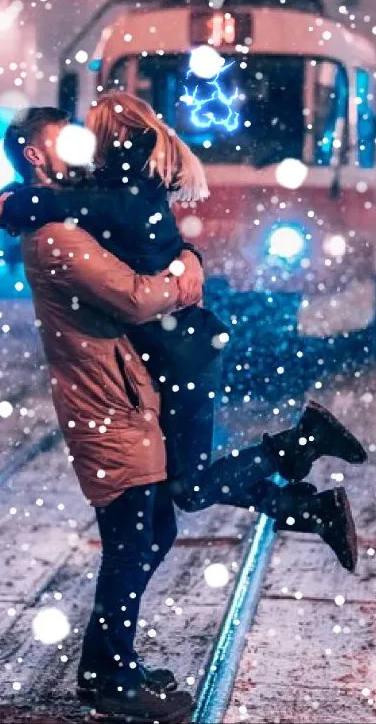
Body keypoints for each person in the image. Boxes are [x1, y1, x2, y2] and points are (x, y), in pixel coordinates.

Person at [2, 95, 366, 558]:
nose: (79, 143)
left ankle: (306, 449)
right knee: (183, 483)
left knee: (189, 490)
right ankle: (310, 504)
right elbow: (104, 212)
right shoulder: (116, 184)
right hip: (172, 354)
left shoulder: (124, 189)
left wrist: (23, 202)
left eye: (87, 133)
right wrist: (188, 257)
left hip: (183, 355)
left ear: (115, 139)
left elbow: (104, 221)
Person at [1, 106, 204, 723]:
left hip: (123, 399)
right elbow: (135, 298)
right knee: (131, 542)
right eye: (66, 139)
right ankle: (108, 677)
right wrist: (186, 273)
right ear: (36, 156)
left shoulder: (69, 211)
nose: (83, 147)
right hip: (106, 407)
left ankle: (108, 666)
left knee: (149, 534)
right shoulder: (58, 234)